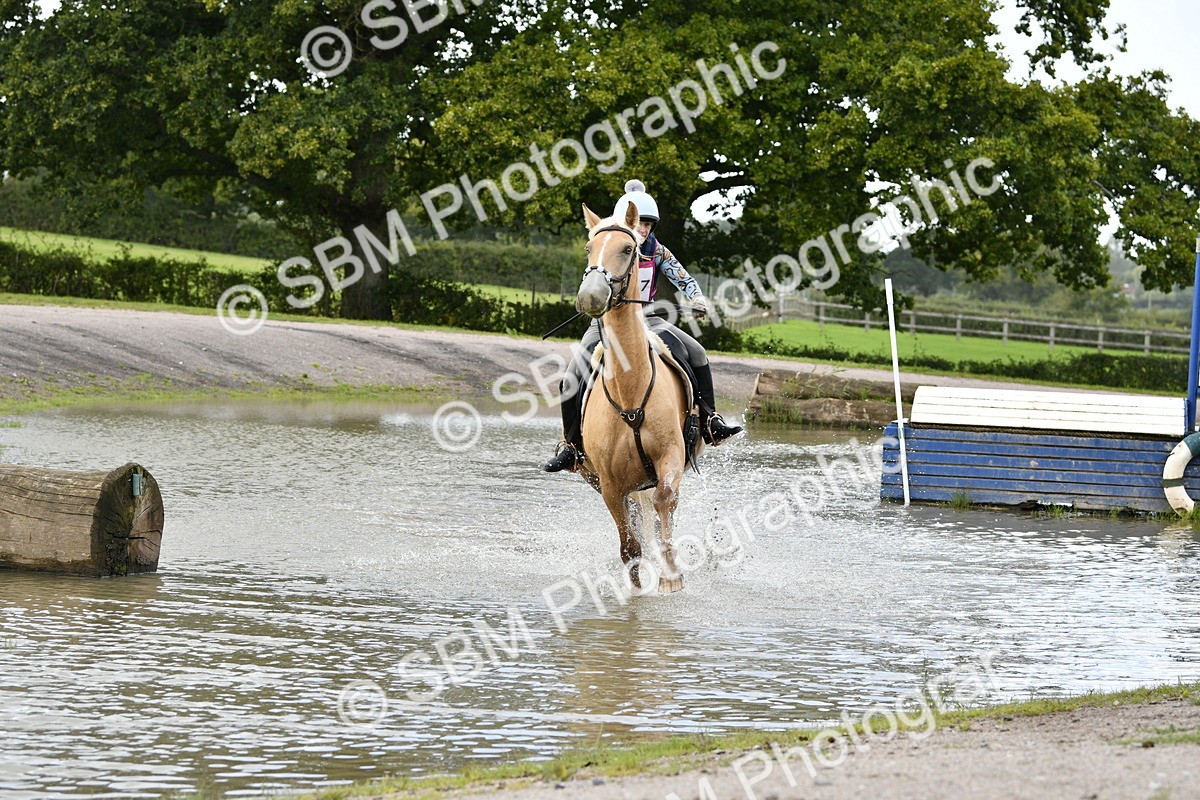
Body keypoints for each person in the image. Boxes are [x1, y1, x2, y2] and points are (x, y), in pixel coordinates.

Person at [543, 179, 742, 473]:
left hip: (648, 319)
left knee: (698, 353)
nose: (642, 229)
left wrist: (697, 298)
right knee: (572, 374)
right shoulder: (608, 247)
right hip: (607, 322)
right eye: (638, 222)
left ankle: (710, 421)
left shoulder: (658, 251)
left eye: (647, 224)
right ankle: (571, 446)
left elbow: (683, 278)